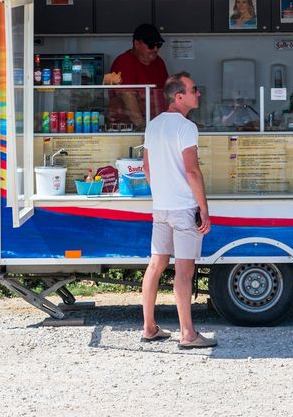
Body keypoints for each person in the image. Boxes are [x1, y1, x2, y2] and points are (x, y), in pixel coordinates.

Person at [140, 72, 215, 349]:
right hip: (184, 208)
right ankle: (188, 334)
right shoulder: (186, 127)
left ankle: (149, 327)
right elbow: (192, 171)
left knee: (155, 265)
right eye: (194, 90)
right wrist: (204, 209)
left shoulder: (153, 125)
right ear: (179, 96)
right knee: (183, 271)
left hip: (161, 207)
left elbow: (146, 167)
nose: (198, 93)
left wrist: (161, 192)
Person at [108, 23, 169, 130]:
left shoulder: (159, 62)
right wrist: (143, 128)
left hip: (157, 126)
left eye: (158, 45)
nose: (155, 49)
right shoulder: (124, 62)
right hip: (129, 128)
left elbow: (168, 94)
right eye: (151, 45)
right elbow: (128, 97)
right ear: (137, 43)